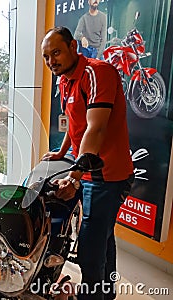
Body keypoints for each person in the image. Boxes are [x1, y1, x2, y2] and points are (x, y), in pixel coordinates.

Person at [41, 27, 134, 299]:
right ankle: (107, 293)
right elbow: (75, 124)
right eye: (46, 57)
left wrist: (75, 176)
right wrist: (61, 154)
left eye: (56, 52)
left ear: (73, 46)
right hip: (88, 170)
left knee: (90, 252)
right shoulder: (64, 80)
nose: (51, 61)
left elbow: (96, 128)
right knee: (103, 237)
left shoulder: (97, 72)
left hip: (108, 175)